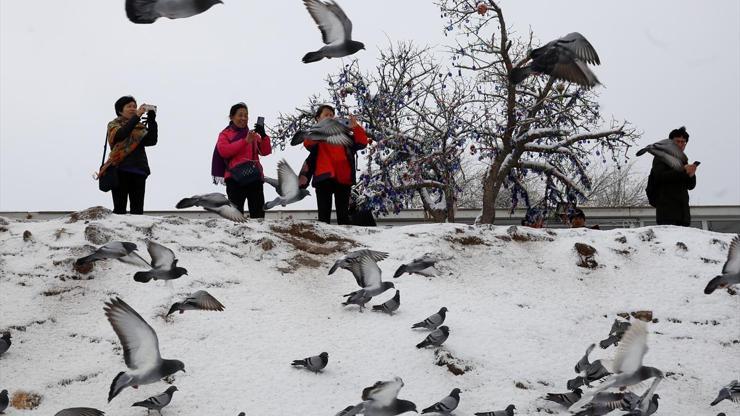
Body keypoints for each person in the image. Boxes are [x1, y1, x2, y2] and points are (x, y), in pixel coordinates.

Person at [303, 105, 368, 225]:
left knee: (343, 217)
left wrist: (355, 127)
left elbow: (362, 142)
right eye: (326, 115)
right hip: (323, 177)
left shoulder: (344, 135)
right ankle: (323, 242)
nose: (330, 117)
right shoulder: (316, 134)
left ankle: (345, 242)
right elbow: (307, 142)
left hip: (343, 178)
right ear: (318, 118)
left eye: (331, 115)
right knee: (323, 217)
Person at [213, 102, 272, 218]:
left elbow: (266, 151)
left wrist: (263, 135)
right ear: (231, 117)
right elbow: (224, 151)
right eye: (240, 115)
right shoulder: (225, 134)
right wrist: (245, 141)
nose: (244, 118)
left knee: (258, 214)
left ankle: (259, 236)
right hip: (234, 179)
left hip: (254, 178)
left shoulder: (252, 134)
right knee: (236, 215)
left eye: (246, 115)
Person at [104, 95, 158, 215]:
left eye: (134, 106)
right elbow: (121, 134)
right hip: (120, 169)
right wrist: (137, 116)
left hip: (139, 170)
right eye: (129, 106)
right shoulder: (114, 124)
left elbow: (151, 141)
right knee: (119, 209)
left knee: (137, 211)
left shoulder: (139, 127)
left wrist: (152, 120)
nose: (133, 108)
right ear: (120, 110)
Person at [650, 126, 697, 226]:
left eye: (683, 142)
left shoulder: (684, 160)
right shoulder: (661, 157)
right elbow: (659, 176)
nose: (680, 144)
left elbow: (690, 186)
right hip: (667, 212)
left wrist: (691, 174)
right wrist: (683, 170)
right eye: (677, 141)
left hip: (683, 214)